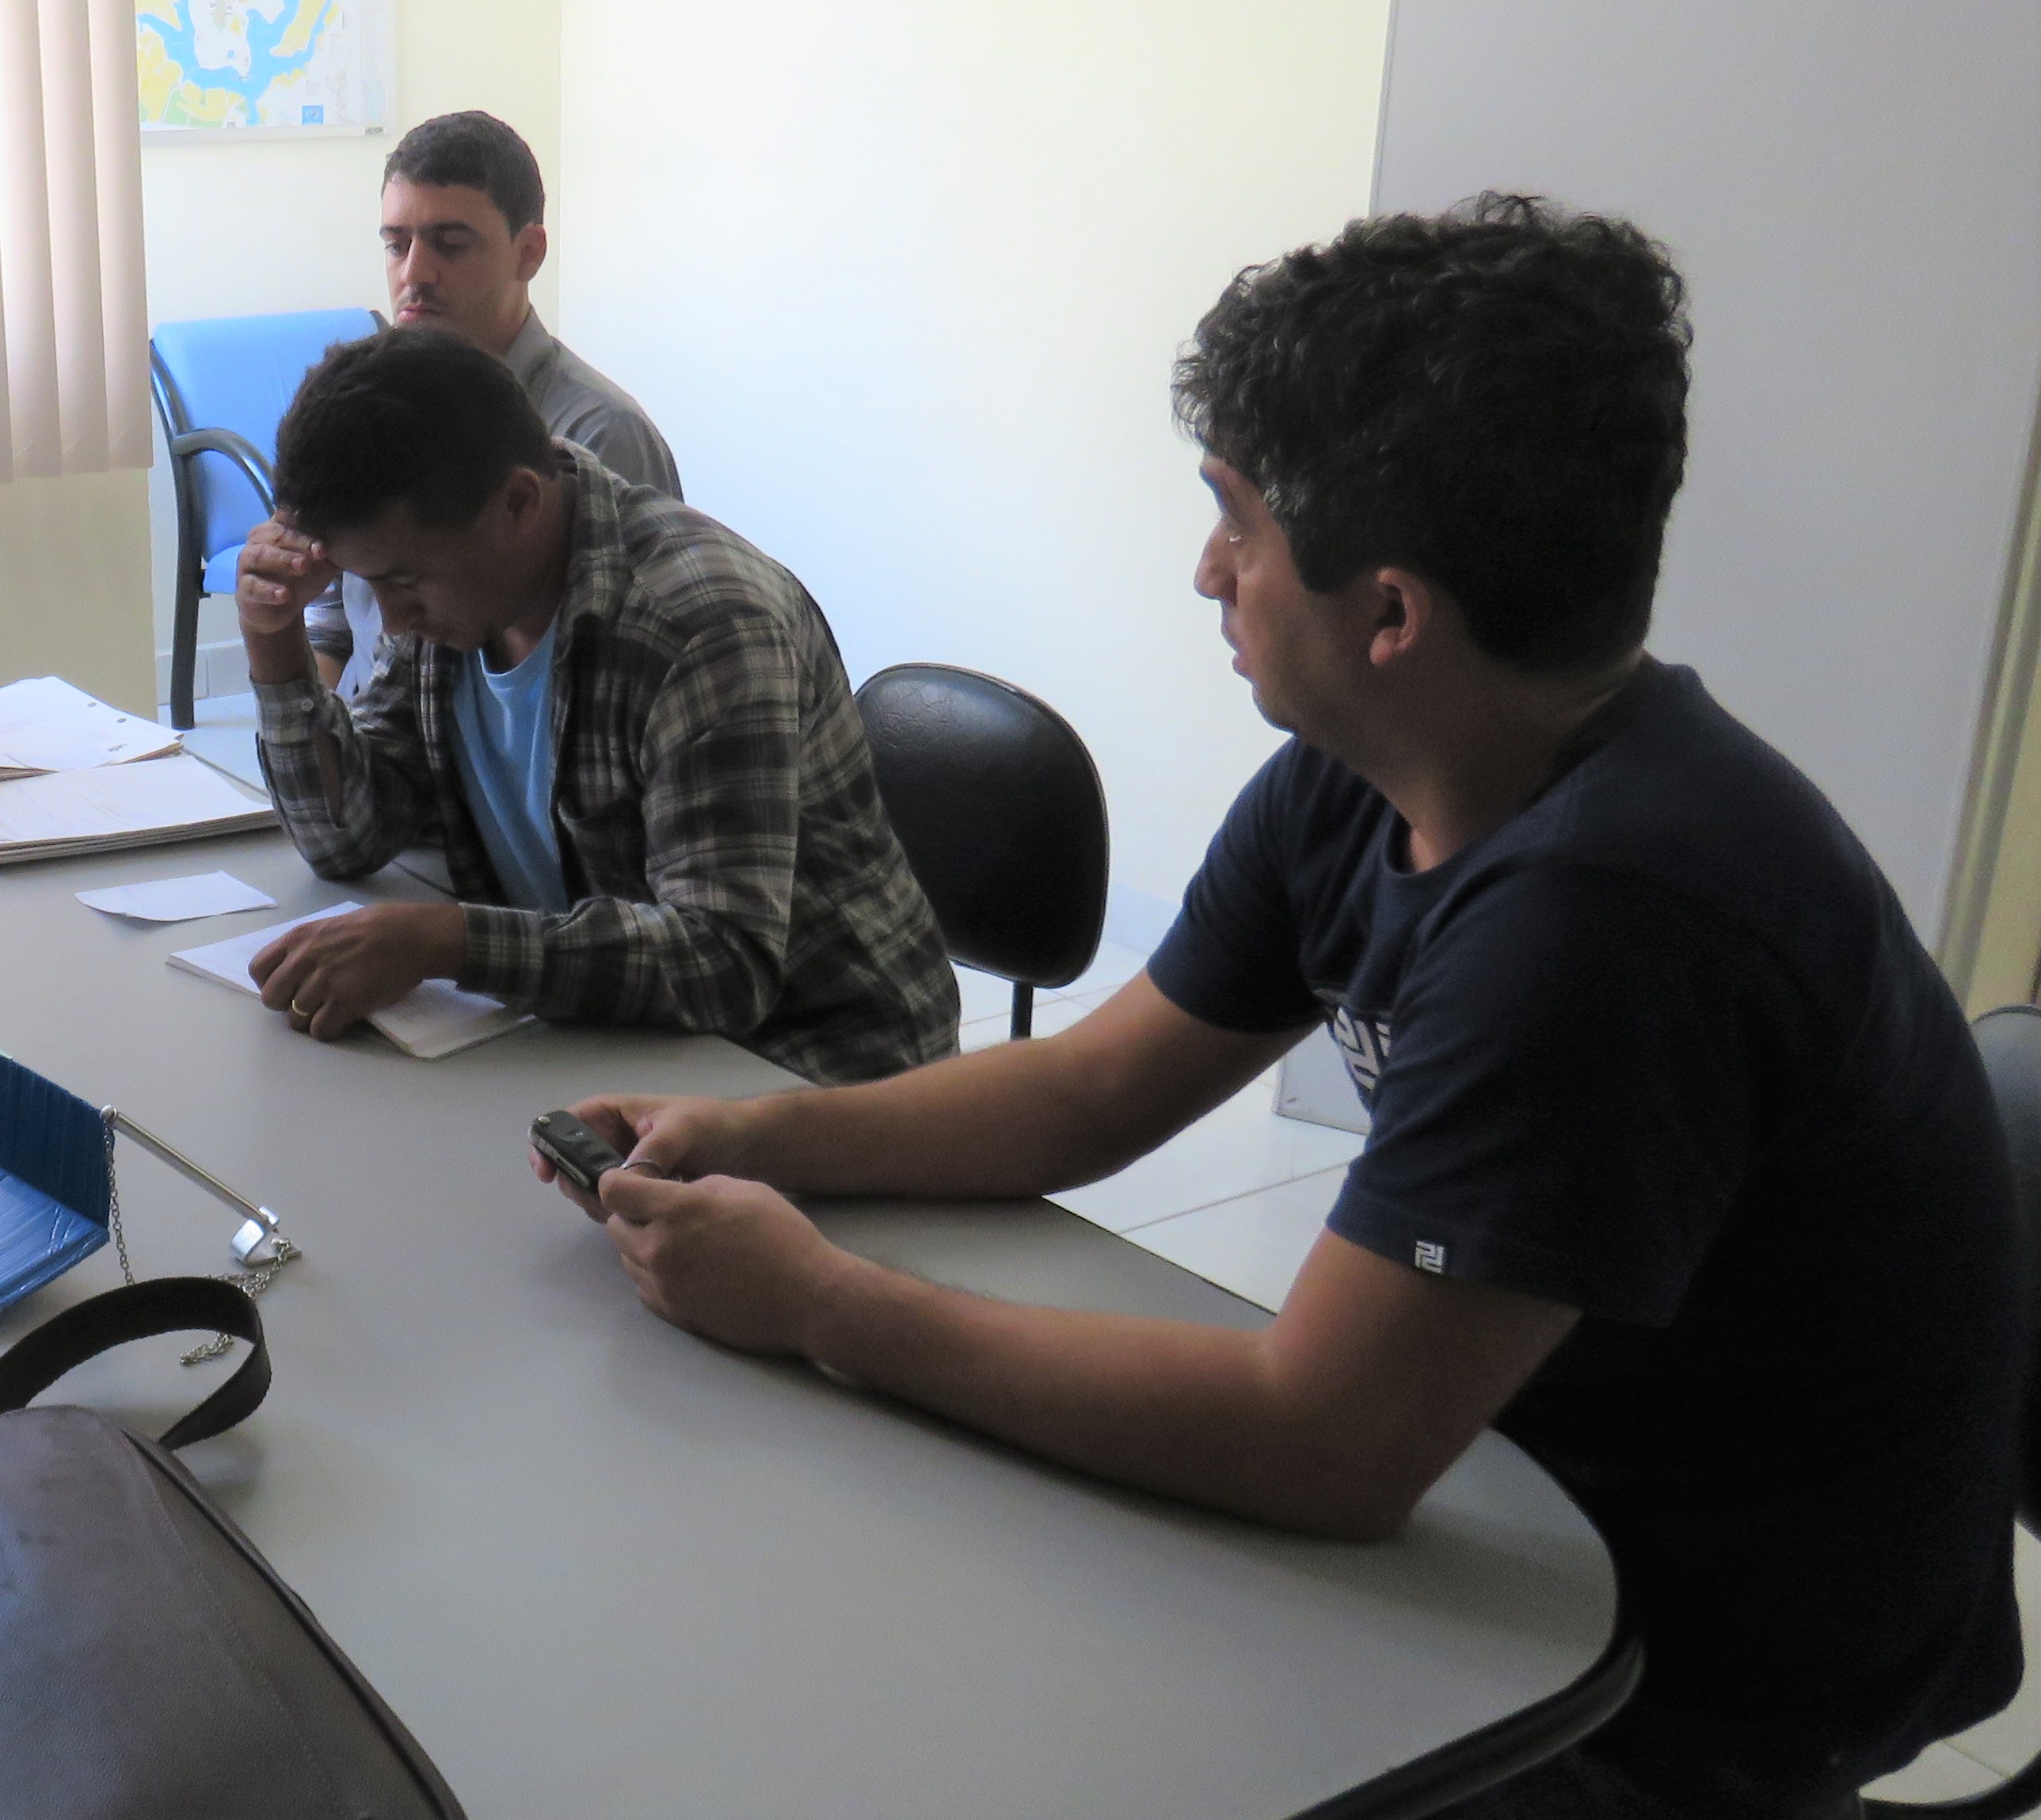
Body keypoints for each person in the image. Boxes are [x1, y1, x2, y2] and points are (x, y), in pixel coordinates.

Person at [551, 196, 2023, 1819]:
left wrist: (826, 1306)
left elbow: (1325, 1445)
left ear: (1389, 616)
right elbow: (1089, 1092)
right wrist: (759, 1134)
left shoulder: (1606, 920)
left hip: (1688, 1677)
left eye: (1236, 524)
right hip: (1517, 1481)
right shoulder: (1372, 774)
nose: (1207, 571)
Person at [236, 322, 958, 1083]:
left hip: (815, 1066)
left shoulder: (703, 627)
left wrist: (445, 942)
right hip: (620, 1040)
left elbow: (725, 962)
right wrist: (271, 637)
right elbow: (344, 836)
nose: (391, 618)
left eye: (402, 583)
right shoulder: (454, 588)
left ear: (518, 502)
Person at [307, 110, 682, 697]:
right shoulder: (371, 412)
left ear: (528, 254)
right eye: (396, 244)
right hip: (373, 752)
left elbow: (608, 682)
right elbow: (333, 629)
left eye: (450, 246)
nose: (414, 274)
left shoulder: (598, 436)